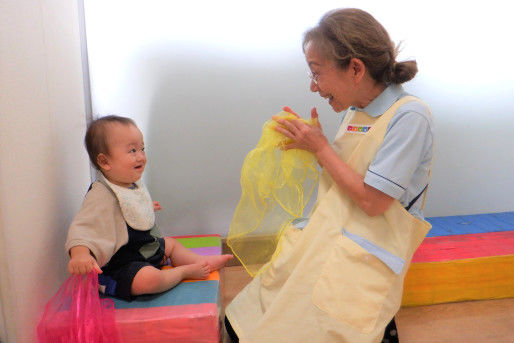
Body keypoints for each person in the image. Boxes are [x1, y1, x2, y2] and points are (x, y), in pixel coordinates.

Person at [224, 8, 433, 343]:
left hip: (365, 248)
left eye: (316, 73)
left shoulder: (410, 117)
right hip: (330, 233)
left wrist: (322, 148)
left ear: (355, 68)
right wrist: (317, 148)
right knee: (249, 318)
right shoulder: (356, 112)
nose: (313, 87)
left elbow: (373, 201)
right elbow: (349, 175)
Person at [65, 115, 233, 300]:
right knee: (150, 280)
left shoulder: (127, 183)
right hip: (121, 266)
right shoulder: (101, 193)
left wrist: (142, 206)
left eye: (142, 149)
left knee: (171, 244)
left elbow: (124, 209)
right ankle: (183, 272)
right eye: (132, 150)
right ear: (105, 162)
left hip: (144, 250)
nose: (141, 156)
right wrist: (80, 254)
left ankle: (202, 261)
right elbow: (82, 228)